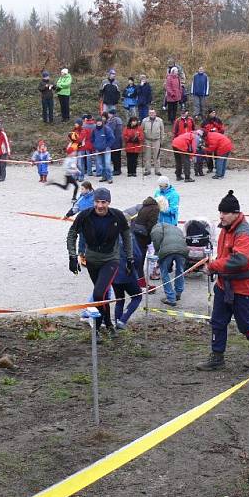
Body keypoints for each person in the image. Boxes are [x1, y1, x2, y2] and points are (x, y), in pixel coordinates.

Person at [197, 190, 249, 370]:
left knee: (246, 325)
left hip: (242, 288)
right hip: (223, 285)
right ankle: (217, 357)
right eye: (220, 212)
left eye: (225, 213)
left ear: (235, 213)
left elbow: (240, 260)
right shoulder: (226, 229)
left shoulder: (244, 232)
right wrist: (213, 263)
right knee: (218, 321)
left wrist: (213, 266)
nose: (221, 216)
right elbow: (224, 255)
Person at [66, 186, 133, 339]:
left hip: (111, 259)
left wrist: (129, 258)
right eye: (97, 202)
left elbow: (127, 235)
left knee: (98, 293)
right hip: (92, 260)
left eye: (103, 202)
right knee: (101, 295)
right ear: (93, 202)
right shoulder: (84, 215)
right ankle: (109, 324)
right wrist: (72, 256)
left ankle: (96, 328)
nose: (100, 206)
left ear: (108, 202)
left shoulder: (117, 216)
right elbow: (72, 234)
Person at [151, 221, 189, 306]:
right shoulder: (176, 228)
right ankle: (178, 293)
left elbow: (156, 239)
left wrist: (157, 253)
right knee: (180, 271)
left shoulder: (157, 227)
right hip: (182, 249)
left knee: (164, 273)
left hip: (167, 251)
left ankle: (170, 298)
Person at [112, 234, 143, 330]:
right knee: (137, 296)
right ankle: (123, 320)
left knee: (119, 300)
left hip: (112, 273)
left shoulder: (110, 235)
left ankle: (117, 322)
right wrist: (135, 270)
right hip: (127, 272)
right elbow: (138, 256)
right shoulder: (129, 236)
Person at [91, 116, 115, 184]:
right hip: (98, 150)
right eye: (97, 121)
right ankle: (104, 176)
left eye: (100, 121)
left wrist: (107, 146)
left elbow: (112, 139)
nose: (98, 123)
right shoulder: (94, 130)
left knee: (107, 164)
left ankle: (109, 177)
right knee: (101, 164)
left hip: (106, 149)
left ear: (102, 122)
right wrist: (95, 146)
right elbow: (92, 139)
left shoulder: (107, 129)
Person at [142, 108, 165, 177]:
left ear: (155, 113)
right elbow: (141, 130)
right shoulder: (144, 120)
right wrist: (142, 140)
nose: (151, 114)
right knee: (147, 156)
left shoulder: (160, 120)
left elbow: (162, 131)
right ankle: (147, 170)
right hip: (147, 140)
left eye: (153, 113)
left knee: (157, 156)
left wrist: (162, 140)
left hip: (156, 140)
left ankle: (157, 170)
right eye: (150, 113)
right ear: (148, 114)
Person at [105, 109, 124, 176]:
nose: (108, 115)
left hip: (114, 141)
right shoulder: (118, 119)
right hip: (118, 140)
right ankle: (118, 169)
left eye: (109, 113)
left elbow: (110, 130)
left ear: (112, 114)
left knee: (115, 156)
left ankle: (117, 170)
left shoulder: (113, 120)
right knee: (117, 156)